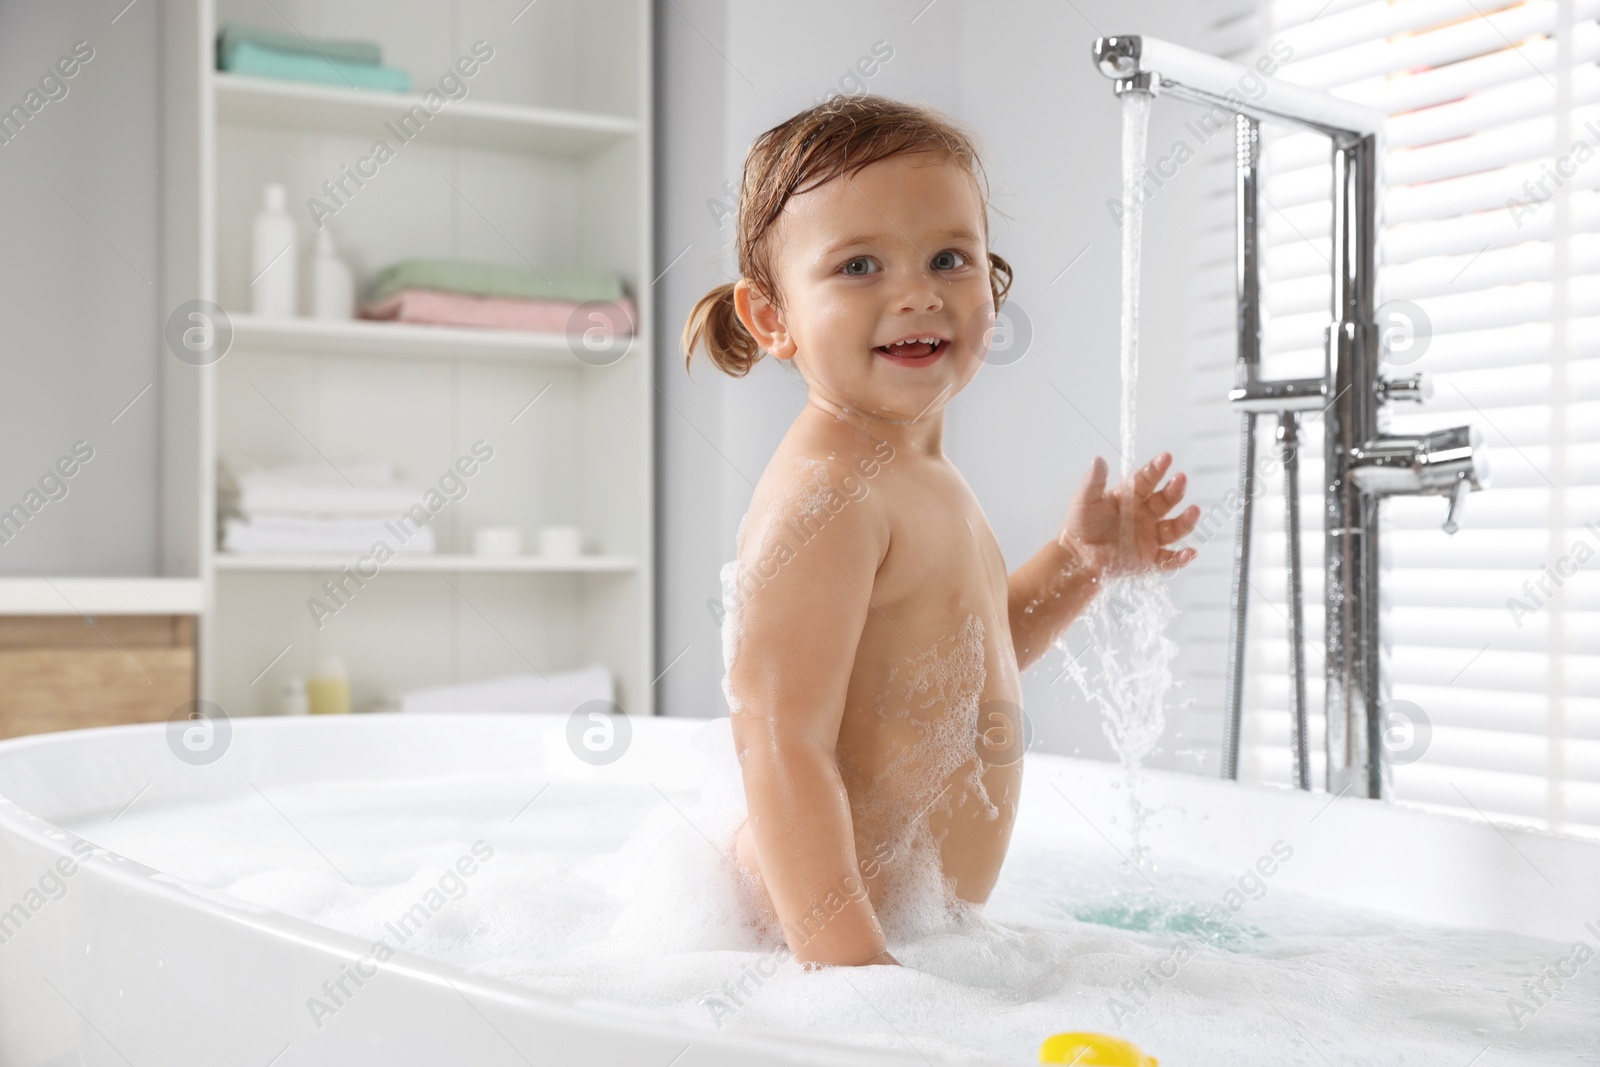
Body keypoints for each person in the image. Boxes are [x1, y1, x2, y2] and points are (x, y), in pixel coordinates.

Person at [681, 94, 1200, 969]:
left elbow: (959, 664)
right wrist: (850, 972)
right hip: (797, 946)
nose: (916, 293)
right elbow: (779, 739)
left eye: (948, 258)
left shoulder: (924, 477)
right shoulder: (828, 493)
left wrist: (1078, 564)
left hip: (913, 934)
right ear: (772, 317)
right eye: (858, 267)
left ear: (990, 283)